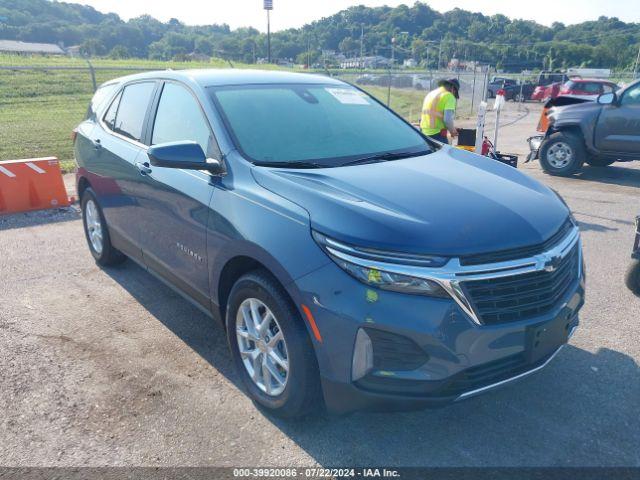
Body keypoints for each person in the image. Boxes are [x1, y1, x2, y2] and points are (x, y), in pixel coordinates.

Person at [420, 78, 460, 144]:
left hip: (424, 132)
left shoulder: (431, 94)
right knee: (445, 153)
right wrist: (452, 131)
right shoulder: (449, 96)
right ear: (453, 88)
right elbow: (447, 120)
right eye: (455, 92)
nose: (454, 95)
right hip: (437, 134)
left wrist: (451, 127)